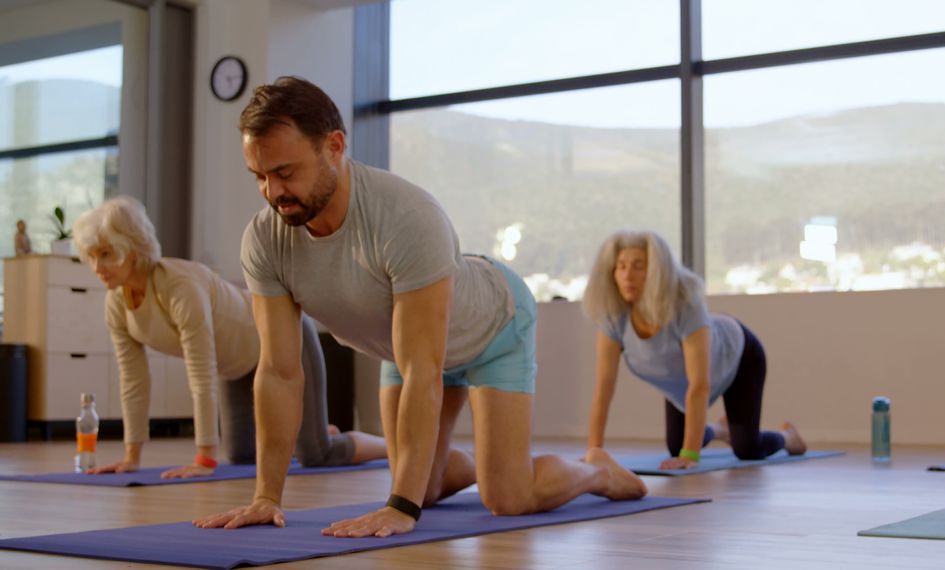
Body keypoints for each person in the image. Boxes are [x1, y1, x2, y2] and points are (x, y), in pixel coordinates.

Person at [193, 77, 646, 536]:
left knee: (508, 498)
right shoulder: (266, 238)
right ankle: (489, 463)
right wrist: (266, 497)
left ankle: (596, 470)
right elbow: (279, 372)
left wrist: (401, 509)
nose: (273, 193)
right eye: (260, 177)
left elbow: (424, 371)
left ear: (334, 146)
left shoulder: (405, 215)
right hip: (406, 349)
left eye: (286, 173)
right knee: (423, 486)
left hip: (491, 329)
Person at [71, 196, 385, 479]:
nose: (98, 267)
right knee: (242, 456)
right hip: (236, 366)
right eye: (92, 256)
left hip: (283, 334)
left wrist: (204, 459)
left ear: (133, 248)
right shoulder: (116, 303)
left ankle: (387, 446)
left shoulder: (181, 286)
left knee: (318, 455)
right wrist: (131, 458)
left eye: (107, 254)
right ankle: (311, 430)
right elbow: (133, 380)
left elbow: (201, 371)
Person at [582, 230, 806, 470]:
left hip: (737, 357)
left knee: (748, 450)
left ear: (657, 271)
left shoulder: (685, 304)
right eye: (621, 266)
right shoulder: (613, 317)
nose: (627, 275)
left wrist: (691, 456)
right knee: (676, 446)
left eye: (639, 266)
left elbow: (699, 383)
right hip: (682, 383)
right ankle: (721, 430)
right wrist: (594, 453)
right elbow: (604, 387)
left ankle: (788, 437)